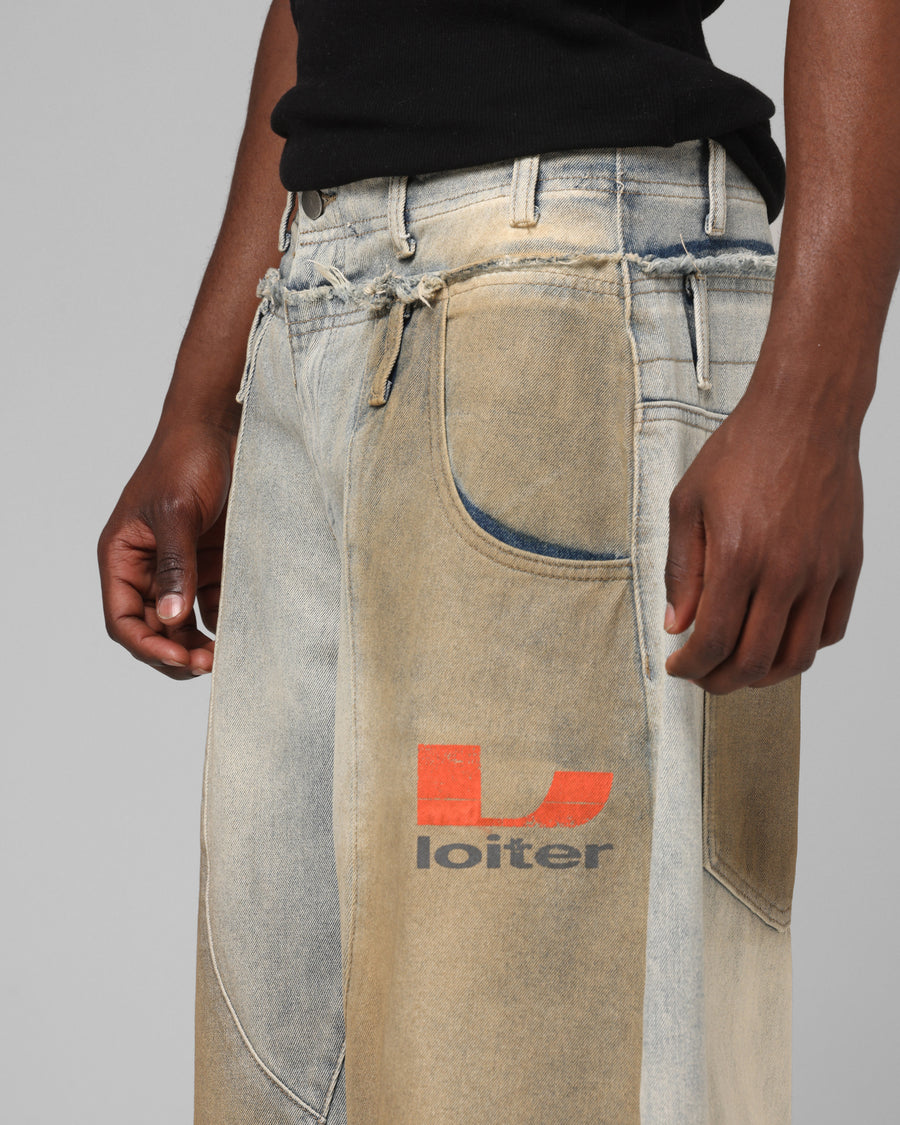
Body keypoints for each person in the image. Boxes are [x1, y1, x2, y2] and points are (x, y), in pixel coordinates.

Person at [97, 2, 900, 1122]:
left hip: (560, 296)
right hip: (315, 301)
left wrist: (816, 397)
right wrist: (202, 400)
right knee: (275, 1093)